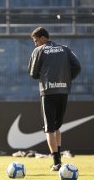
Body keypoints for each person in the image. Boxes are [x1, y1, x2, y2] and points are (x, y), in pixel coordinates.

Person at [28, 27, 81, 171]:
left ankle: (57, 162)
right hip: (63, 90)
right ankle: (58, 160)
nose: (35, 44)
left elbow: (32, 73)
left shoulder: (39, 51)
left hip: (48, 91)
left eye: (36, 40)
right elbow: (77, 66)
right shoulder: (65, 49)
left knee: (49, 128)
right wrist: (67, 78)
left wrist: (45, 75)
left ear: (43, 38)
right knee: (57, 126)